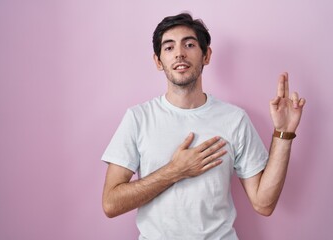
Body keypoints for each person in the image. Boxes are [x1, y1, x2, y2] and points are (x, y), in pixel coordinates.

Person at [101, 13, 305, 240]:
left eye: (189, 44)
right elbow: (111, 203)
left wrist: (283, 133)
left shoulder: (234, 119)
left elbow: (264, 204)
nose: (179, 53)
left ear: (206, 55)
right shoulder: (138, 118)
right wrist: (175, 171)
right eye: (169, 48)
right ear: (158, 61)